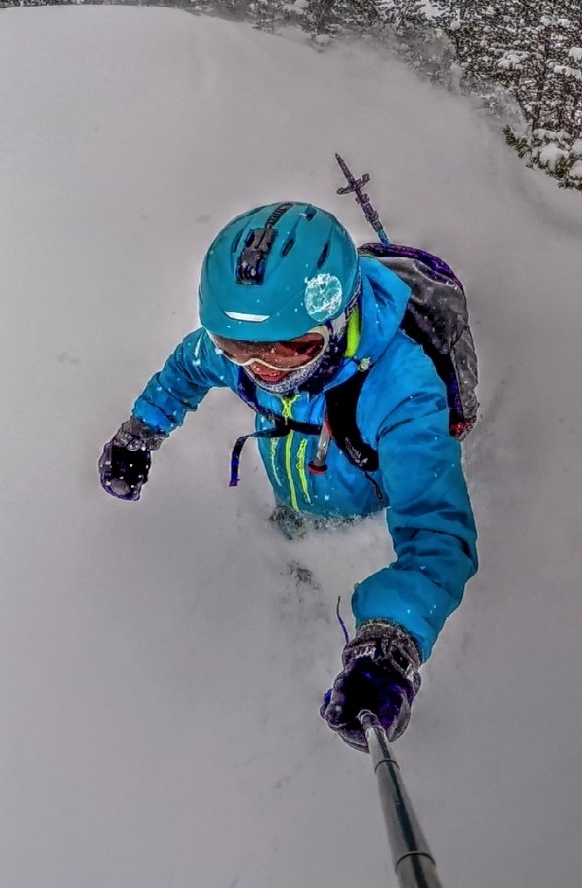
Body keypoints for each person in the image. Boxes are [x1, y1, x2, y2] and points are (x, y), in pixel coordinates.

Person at [98, 202, 478, 751]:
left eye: (292, 350)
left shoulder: (404, 392)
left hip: (364, 506)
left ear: (338, 321)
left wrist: (391, 645)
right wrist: (141, 431)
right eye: (238, 350)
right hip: (297, 489)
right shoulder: (249, 350)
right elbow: (190, 365)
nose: (264, 372)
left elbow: (436, 533)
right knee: (290, 525)